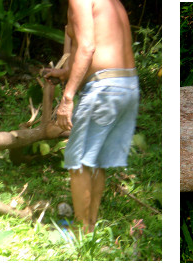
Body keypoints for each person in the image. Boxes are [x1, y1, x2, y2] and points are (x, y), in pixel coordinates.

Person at [42, 0, 138, 234]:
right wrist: (66, 73)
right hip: (127, 84)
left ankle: (80, 232)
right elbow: (105, 47)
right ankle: (90, 228)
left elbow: (87, 48)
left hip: (105, 87)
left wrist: (67, 98)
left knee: (79, 160)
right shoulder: (112, 2)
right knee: (96, 159)